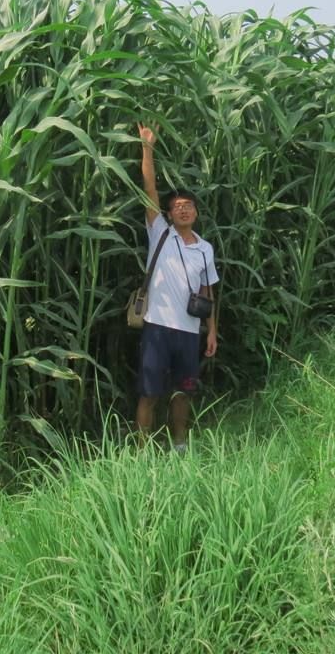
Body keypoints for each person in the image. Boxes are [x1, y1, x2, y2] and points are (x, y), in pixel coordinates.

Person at [135, 122, 219, 452]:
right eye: (177, 206)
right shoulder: (160, 233)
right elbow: (150, 189)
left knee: (184, 389)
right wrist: (147, 147)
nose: (183, 208)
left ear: (196, 212)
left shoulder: (205, 248)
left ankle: (180, 443)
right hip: (157, 328)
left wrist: (210, 331)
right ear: (168, 214)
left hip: (188, 332)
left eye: (188, 205)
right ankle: (142, 450)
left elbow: (208, 292)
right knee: (149, 391)